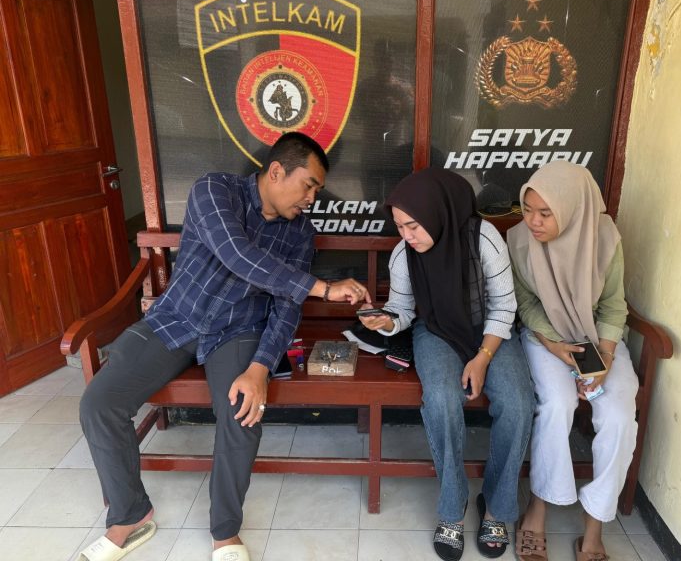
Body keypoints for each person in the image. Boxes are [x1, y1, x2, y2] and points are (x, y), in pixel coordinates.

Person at [77, 132, 371, 561]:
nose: (311, 199)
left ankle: (225, 532)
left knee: (241, 411)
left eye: (317, 191)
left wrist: (260, 367)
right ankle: (130, 513)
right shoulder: (215, 191)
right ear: (276, 171)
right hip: (177, 317)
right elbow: (237, 254)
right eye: (308, 185)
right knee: (99, 403)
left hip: (238, 330)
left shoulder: (299, 233)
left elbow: (286, 307)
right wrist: (324, 288)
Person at [359, 168, 534, 561]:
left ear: (437, 213)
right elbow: (403, 310)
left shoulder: (483, 238)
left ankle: (496, 507)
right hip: (436, 330)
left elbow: (504, 306)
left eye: (413, 225)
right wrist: (386, 321)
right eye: (400, 226)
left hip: (491, 330)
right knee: (440, 398)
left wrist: (482, 358)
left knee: (519, 403)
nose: (407, 235)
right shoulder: (403, 254)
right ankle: (453, 507)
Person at [506, 161, 638, 561]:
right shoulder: (520, 241)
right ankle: (538, 509)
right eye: (528, 209)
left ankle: (594, 526)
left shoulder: (604, 238)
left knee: (619, 416)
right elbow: (526, 303)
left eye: (545, 213)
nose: (533, 221)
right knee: (557, 404)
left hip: (597, 339)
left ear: (572, 209)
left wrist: (605, 358)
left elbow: (613, 306)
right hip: (545, 336)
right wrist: (552, 343)